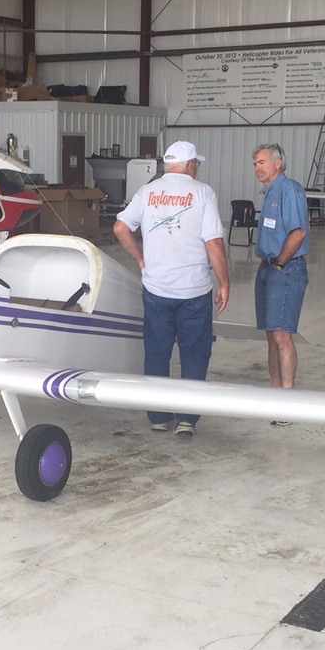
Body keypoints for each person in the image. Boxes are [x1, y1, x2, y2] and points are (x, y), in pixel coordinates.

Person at [114, 140, 230, 437]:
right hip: (194, 291)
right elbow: (214, 242)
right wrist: (224, 282)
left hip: (156, 289)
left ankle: (158, 416)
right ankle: (187, 419)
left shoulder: (147, 191)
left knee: (157, 352)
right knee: (194, 354)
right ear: (190, 165)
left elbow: (120, 227)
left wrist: (140, 258)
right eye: (196, 164)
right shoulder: (203, 192)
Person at [251, 143, 309, 419]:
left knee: (281, 335)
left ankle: (287, 400)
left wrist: (279, 264)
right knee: (271, 335)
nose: (257, 168)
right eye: (255, 164)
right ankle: (275, 393)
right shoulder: (270, 193)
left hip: (285, 269)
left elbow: (299, 233)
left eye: (262, 162)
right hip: (268, 268)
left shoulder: (289, 190)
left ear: (278, 164)